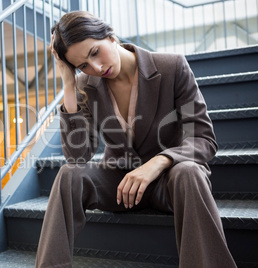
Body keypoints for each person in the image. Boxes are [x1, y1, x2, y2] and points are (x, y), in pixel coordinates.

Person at [35, 11, 237, 268]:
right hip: (121, 186)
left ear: (110, 35)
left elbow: (203, 138)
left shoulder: (172, 67)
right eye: (83, 65)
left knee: (189, 172)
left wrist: (158, 163)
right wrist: (68, 82)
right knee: (67, 174)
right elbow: (78, 157)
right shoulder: (86, 85)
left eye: (95, 52)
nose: (96, 68)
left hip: (169, 180)